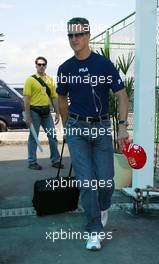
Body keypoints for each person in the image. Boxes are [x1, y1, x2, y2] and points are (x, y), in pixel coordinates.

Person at [56, 18, 129, 250]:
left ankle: (103, 207)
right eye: (70, 35)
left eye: (78, 35)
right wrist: (67, 125)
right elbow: (60, 98)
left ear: (88, 36)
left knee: (106, 183)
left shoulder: (104, 65)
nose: (74, 39)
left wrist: (123, 126)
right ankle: (94, 231)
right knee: (87, 183)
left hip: (101, 128)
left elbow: (122, 95)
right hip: (77, 129)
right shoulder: (65, 68)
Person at [23, 56, 64, 170]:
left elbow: (54, 97)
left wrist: (57, 113)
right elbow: (26, 98)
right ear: (36, 65)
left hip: (46, 112)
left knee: (53, 136)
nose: (41, 66)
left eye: (43, 64)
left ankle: (55, 160)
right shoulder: (30, 80)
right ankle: (32, 162)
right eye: (39, 64)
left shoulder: (50, 80)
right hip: (34, 111)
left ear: (46, 66)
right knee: (33, 137)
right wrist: (28, 116)